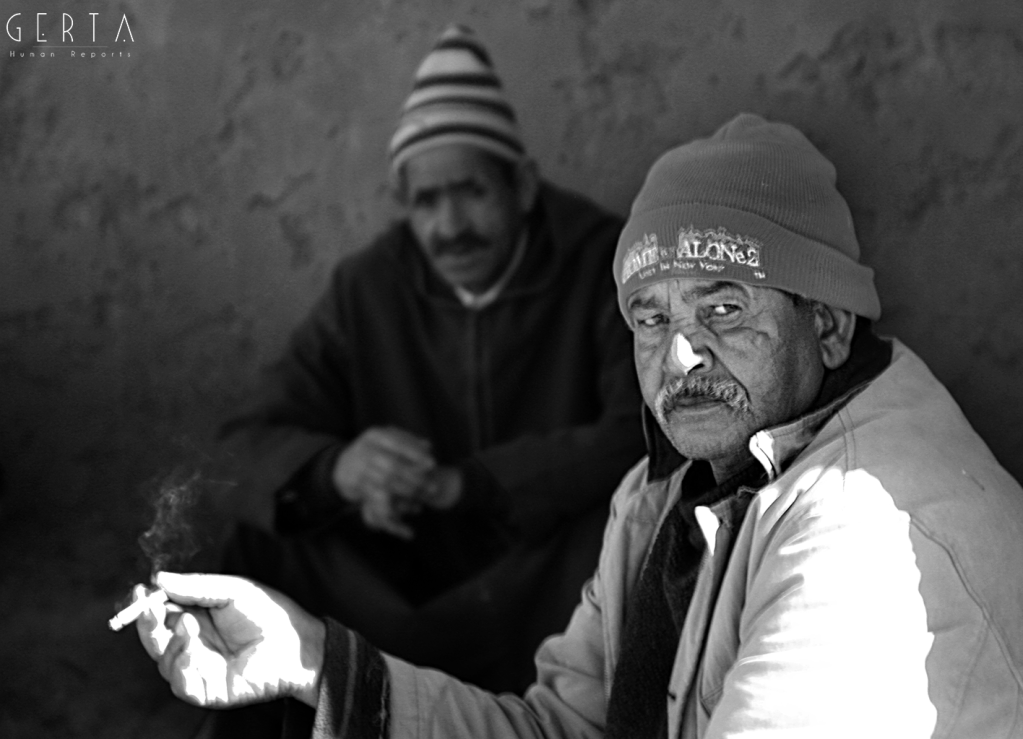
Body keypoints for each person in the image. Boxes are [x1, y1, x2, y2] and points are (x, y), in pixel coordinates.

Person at [140, 113, 1023, 737]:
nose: (680, 356)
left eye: (722, 309)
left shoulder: (860, 527)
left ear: (826, 325)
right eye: (650, 317)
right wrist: (311, 659)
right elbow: (563, 730)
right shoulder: (665, 496)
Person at [213, 22, 645, 702]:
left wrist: (467, 484)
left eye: (472, 192)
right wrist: (339, 471)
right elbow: (244, 445)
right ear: (404, 207)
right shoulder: (367, 287)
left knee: (624, 526)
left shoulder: (602, 262)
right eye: (426, 201)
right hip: (404, 580)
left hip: (543, 582)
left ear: (523, 186)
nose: (450, 226)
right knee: (261, 542)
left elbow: (639, 431)